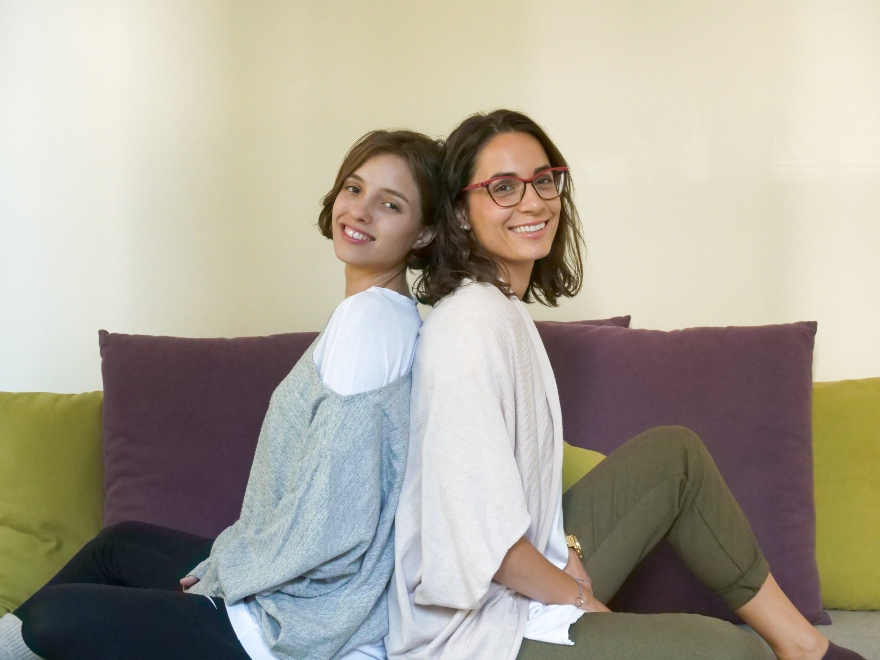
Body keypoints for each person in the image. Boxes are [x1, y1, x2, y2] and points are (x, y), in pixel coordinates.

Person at [386, 109, 864, 660]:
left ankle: (804, 646)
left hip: (517, 580)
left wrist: (566, 552)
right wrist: (581, 599)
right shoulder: (468, 328)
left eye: (544, 180)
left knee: (673, 458)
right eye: (504, 187)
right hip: (474, 634)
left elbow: (508, 507)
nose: (533, 202)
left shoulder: (500, 308)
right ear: (461, 213)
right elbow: (484, 546)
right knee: (730, 654)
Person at [0, 129, 442, 660]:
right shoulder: (382, 314)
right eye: (354, 188)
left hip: (285, 629)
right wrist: (225, 559)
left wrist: (227, 574)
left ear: (424, 233)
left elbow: (332, 518)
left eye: (390, 204)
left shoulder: (368, 325)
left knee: (52, 618)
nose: (361, 211)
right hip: (288, 590)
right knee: (119, 545)